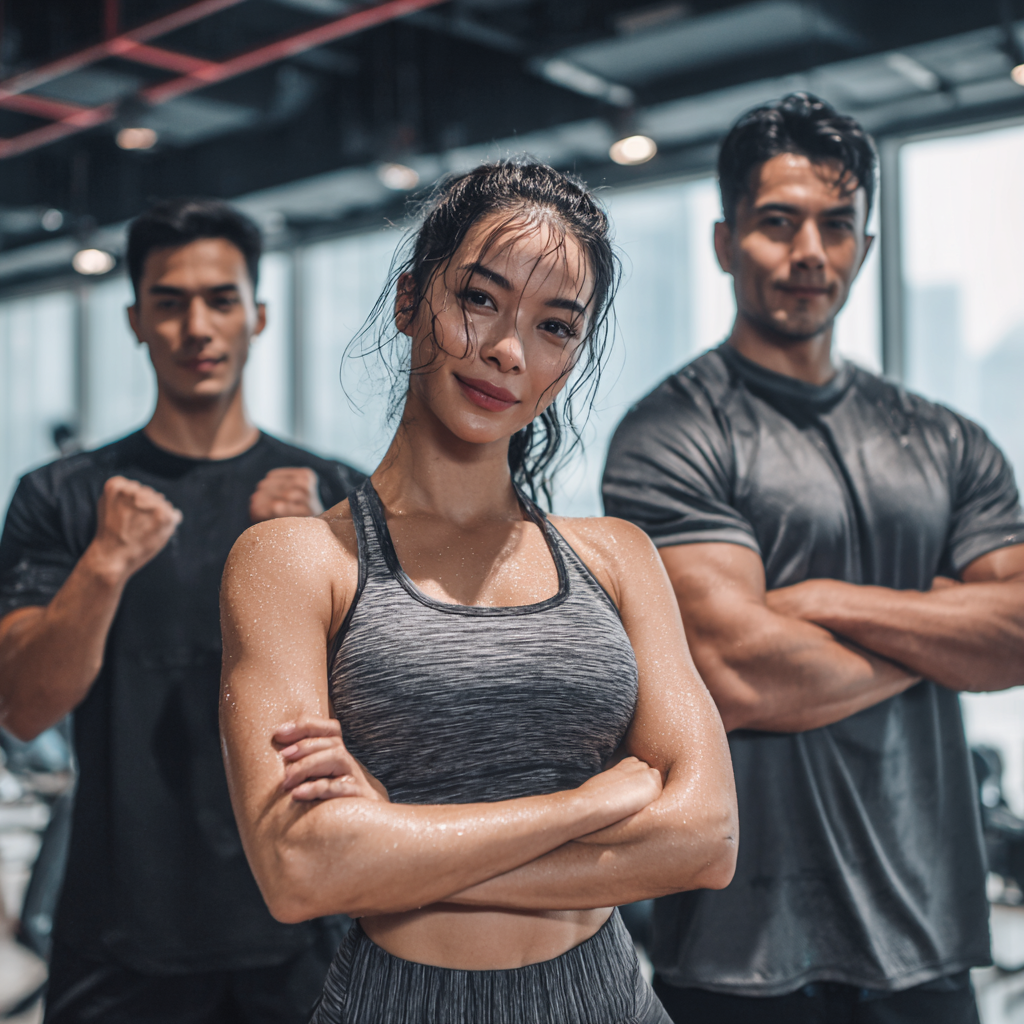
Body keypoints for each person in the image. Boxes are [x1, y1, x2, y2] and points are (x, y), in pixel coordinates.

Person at [219, 160, 739, 1024]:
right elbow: (301, 869)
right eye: (480, 299)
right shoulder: (296, 559)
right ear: (410, 298)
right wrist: (588, 804)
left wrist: (393, 851)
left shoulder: (617, 557)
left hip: (605, 1000)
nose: (508, 350)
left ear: (569, 362)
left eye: (555, 326)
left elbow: (706, 838)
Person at [602, 92, 1024, 1024]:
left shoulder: (947, 441)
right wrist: (940, 629)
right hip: (742, 947)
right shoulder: (671, 435)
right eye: (777, 223)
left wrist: (822, 599)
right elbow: (735, 668)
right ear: (724, 242)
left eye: (839, 227)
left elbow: (1019, 637)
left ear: (865, 247)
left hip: (927, 941)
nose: (809, 253)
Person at [0, 198, 364, 1023]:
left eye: (221, 299)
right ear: (136, 320)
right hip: (120, 932)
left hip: (300, 925)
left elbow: (387, 710)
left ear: (258, 315)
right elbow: (24, 707)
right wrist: (106, 563)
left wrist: (311, 557)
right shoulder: (62, 499)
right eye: (169, 302)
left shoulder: (333, 495)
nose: (196, 326)